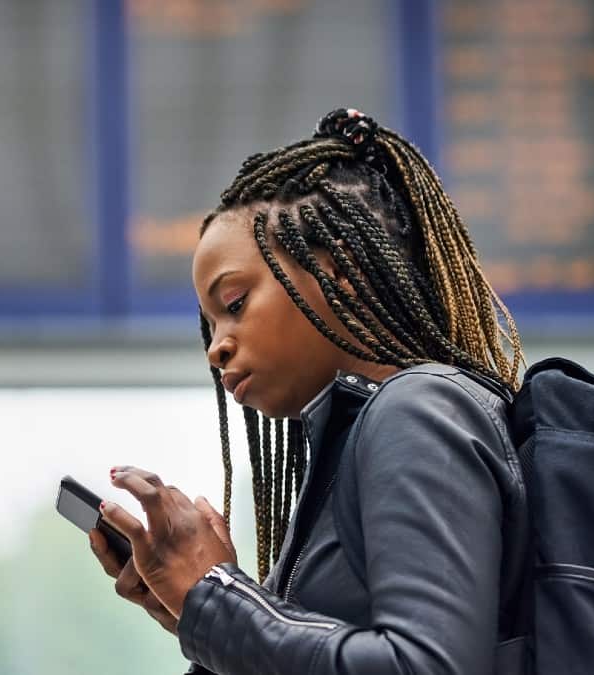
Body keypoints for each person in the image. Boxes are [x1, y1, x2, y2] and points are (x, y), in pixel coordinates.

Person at [88, 109, 530, 674]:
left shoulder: (416, 411)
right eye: (211, 324)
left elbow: (427, 667)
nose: (216, 347)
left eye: (235, 304)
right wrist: (196, 611)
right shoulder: (356, 451)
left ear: (340, 267)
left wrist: (220, 598)